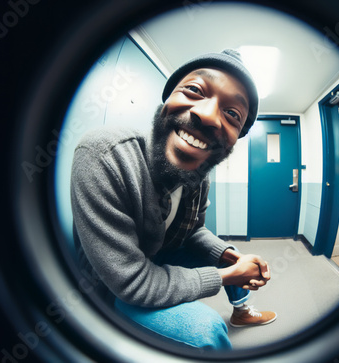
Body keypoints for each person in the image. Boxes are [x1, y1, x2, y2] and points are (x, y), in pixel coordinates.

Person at [70, 49, 277, 351]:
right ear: (167, 99)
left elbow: (192, 232)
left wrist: (228, 257)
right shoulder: (104, 156)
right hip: (112, 285)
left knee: (232, 255)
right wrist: (227, 275)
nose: (208, 115)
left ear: (235, 138)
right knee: (206, 332)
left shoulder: (199, 173)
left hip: (157, 255)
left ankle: (242, 312)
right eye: (194, 90)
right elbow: (131, 282)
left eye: (232, 114)